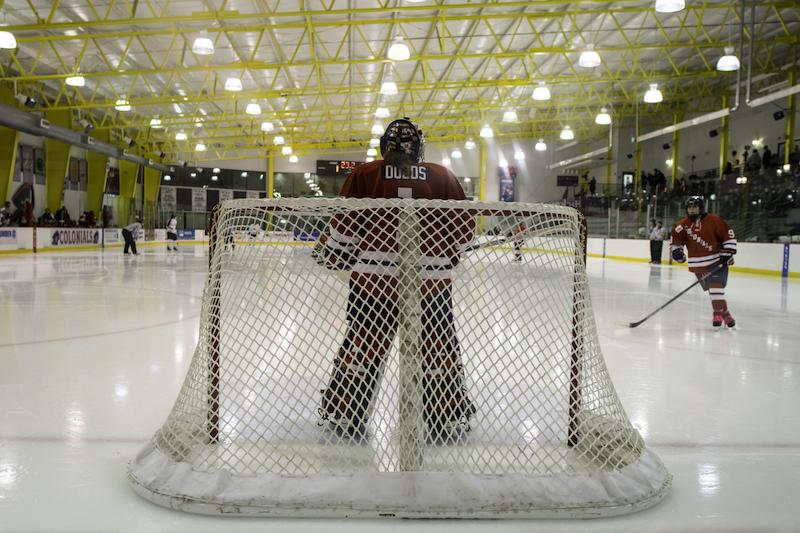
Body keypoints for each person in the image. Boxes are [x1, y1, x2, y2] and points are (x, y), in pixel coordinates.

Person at [315, 117, 476, 441]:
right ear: (418, 147)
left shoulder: (364, 173)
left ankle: (345, 410)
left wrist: (332, 252)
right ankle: (447, 415)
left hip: (373, 284)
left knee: (363, 346)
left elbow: (342, 231)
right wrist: (449, 254)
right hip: (430, 282)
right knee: (437, 348)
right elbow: (465, 236)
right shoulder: (442, 175)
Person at [669, 196, 737, 328]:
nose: (692, 209)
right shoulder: (681, 225)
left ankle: (716, 314)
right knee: (714, 291)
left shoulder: (714, 220)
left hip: (717, 261)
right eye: (690, 207)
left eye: (695, 207)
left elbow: (728, 235)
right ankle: (726, 314)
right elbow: (676, 242)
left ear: (701, 207)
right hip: (698, 264)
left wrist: (728, 252)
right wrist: (677, 253)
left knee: (716, 287)